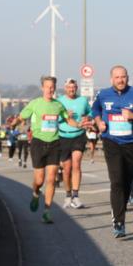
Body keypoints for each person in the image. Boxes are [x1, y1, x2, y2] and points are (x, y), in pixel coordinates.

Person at [91, 66, 133, 238]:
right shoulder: (103, 94)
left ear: (128, 78)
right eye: (117, 77)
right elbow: (95, 110)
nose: (120, 80)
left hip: (131, 144)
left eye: (123, 77)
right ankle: (119, 222)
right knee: (117, 180)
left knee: (127, 181)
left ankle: (121, 207)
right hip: (111, 141)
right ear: (111, 79)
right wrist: (99, 122)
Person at [10, 76, 69, 224]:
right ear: (42, 88)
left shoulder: (59, 105)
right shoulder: (35, 104)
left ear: (55, 88)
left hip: (54, 143)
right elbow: (21, 117)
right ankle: (36, 193)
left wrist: (80, 124)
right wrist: (14, 123)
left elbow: (68, 119)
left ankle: (47, 211)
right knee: (39, 180)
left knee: (51, 179)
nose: (50, 89)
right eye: (47, 86)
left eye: (52, 87)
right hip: (38, 143)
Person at [57, 78, 93, 208]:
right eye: (69, 87)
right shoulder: (59, 101)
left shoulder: (82, 100)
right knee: (66, 169)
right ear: (65, 88)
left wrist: (88, 117)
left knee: (76, 163)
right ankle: (68, 195)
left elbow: (91, 112)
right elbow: (54, 117)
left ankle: (76, 196)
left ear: (76, 88)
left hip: (79, 135)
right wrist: (64, 115)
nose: (71, 89)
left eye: (73, 87)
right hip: (63, 136)